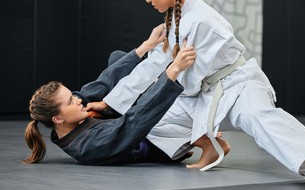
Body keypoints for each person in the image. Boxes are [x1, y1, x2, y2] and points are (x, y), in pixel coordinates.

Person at [88, 0, 305, 188]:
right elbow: (151, 67)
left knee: (257, 117)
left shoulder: (201, 20)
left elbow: (181, 79)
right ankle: (208, 145)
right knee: (150, 114)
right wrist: (111, 104)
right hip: (204, 92)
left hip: (237, 84)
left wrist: (164, 78)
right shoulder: (176, 19)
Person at [23, 24, 204, 165]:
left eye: (73, 96)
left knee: (116, 57)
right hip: (149, 138)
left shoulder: (71, 116)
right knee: (159, 100)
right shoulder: (89, 145)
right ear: (57, 119)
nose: (78, 100)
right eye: (71, 101)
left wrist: (147, 46)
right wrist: (173, 72)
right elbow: (136, 121)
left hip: (121, 119)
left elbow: (101, 84)